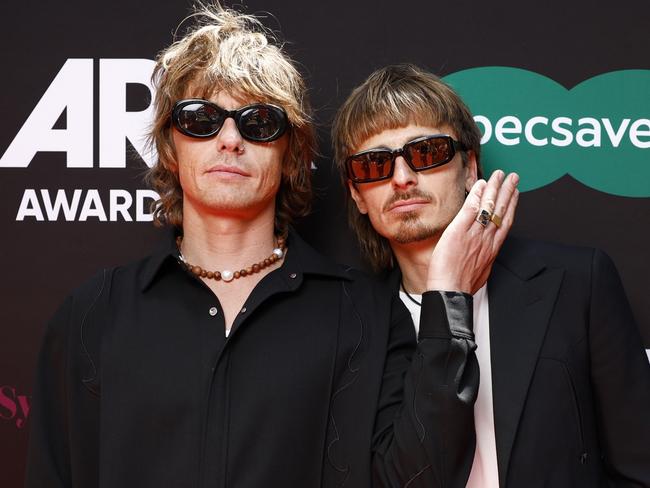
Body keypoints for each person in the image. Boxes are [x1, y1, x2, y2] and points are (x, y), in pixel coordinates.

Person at [25, 7, 517, 488]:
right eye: (201, 119)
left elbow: (420, 477)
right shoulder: (94, 312)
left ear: (292, 155)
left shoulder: (366, 311)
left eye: (259, 122)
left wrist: (449, 296)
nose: (230, 139)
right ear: (171, 149)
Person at [332, 63, 650, 488]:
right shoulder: (348, 325)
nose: (402, 179)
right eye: (374, 166)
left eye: (426, 153)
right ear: (357, 194)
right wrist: (448, 296)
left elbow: (639, 467)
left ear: (469, 168)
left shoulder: (577, 283)